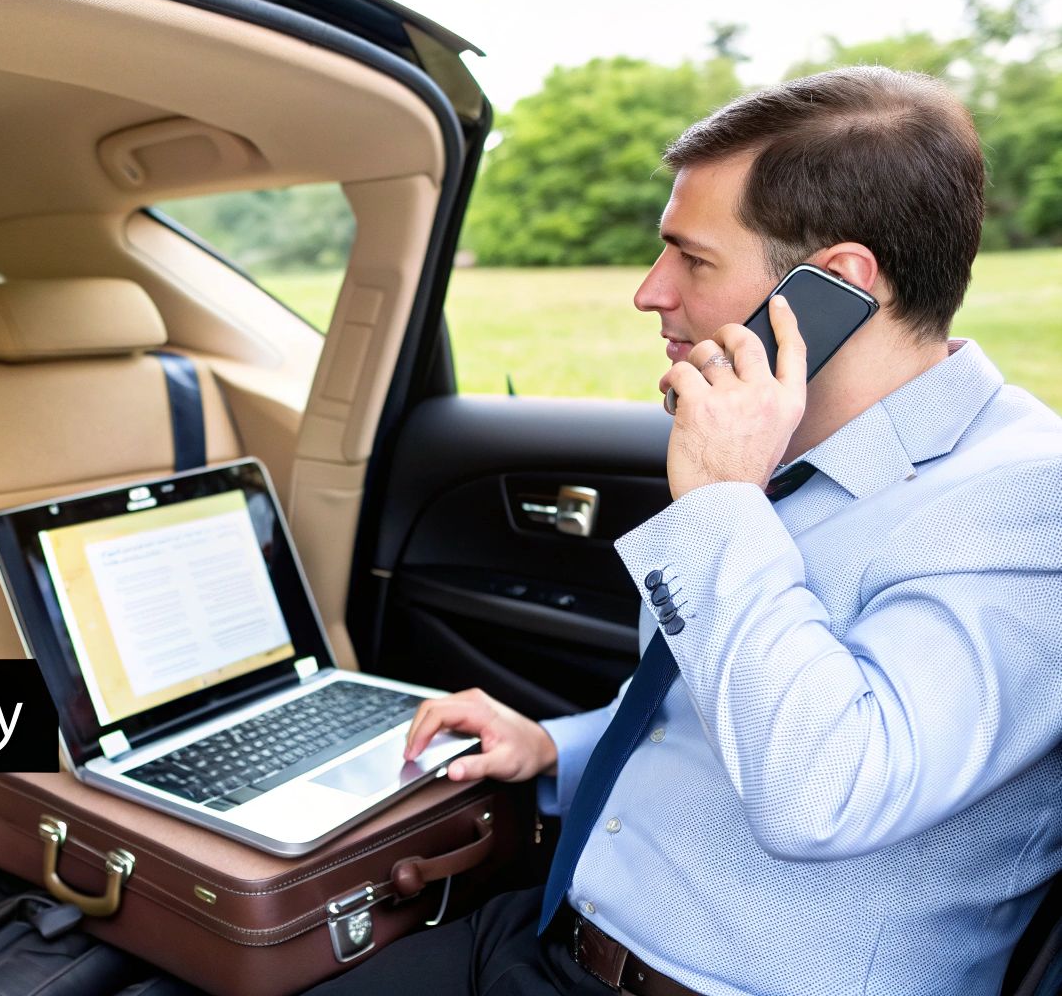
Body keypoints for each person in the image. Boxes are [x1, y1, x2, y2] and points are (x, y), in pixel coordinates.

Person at [308, 67, 1062, 995]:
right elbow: (705, 719)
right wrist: (556, 748)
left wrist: (718, 506)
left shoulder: (1029, 505)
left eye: (692, 259)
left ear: (832, 285)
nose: (648, 292)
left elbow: (827, 791)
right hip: (546, 941)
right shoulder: (784, 433)